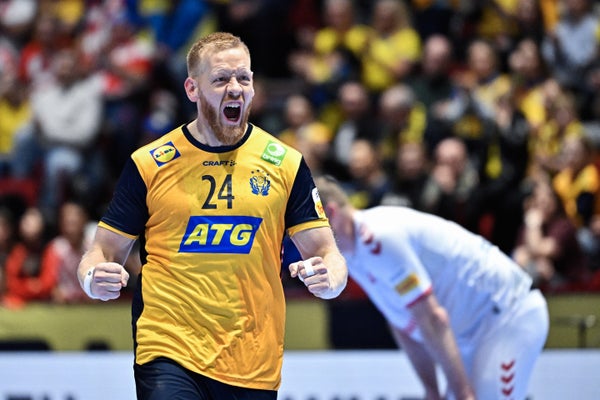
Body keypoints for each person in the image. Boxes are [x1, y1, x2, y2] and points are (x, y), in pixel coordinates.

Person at [77, 32, 347, 399]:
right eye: (220, 79)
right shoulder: (150, 163)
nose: (235, 88)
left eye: (244, 78)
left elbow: (328, 253)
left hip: (252, 358)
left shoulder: (285, 163)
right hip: (168, 346)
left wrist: (331, 281)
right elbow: (102, 251)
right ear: (192, 89)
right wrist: (92, 278)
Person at [314, 175, 549, 400]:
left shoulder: (377, 236)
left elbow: (433, 318)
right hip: (472, 332)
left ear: (331, 214)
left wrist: (463, 394)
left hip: (508, 314)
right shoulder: (349, 256)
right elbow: (402, 324)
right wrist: (432, 391)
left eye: (309, 229)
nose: (306, 242)